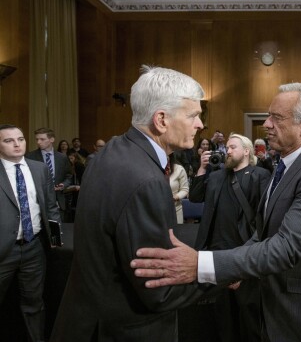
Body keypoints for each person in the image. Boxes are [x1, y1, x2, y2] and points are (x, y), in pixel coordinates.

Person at [132, 82, 301, 342]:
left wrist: (201, 264)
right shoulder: (287, 166)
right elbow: (263, 233)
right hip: (273, 311)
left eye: (276, 117)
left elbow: (285, 247)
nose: (267, 124)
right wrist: (234, 269)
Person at [51, 66, 208, 341]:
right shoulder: (146, 180)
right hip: (127, 329)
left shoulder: (110, 152)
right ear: (161, 119)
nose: (200, 124)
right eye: (194, 115)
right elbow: (158, 290)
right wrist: (217, 274)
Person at [192, 133, 271, 342]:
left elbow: (264, 220)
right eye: (227, 147)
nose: (228, 150)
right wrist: (202, 169)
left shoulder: (260, 175)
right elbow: (195, 197)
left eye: (233, 147)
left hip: (244, 253)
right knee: (223, 321)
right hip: (217, 255)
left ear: (247, 151)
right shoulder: (217, 176)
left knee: (249, 319)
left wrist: (246, 262)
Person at [0, 124, 59, 342]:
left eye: (20, 139)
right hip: (3, 251)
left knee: (34, 304)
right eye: (8, 140)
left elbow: (51, 206)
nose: (17, 144)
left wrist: (55, 238)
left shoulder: (39, 168)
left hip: (34, 248)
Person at [26, 127, 72, 223]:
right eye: (37, 139)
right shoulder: (30, 157)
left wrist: (63, 185)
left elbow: (69, 176)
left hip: (58, 200)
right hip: (38, 201)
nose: (38, 142)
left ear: (52, 139)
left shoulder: (62, 157)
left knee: (57, 232)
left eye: (42, 139)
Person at [169, 152, 189, 224]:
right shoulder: (153, 168)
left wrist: (175, 197)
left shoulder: (179, 169)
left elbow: (185, 189)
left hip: (175, 209)